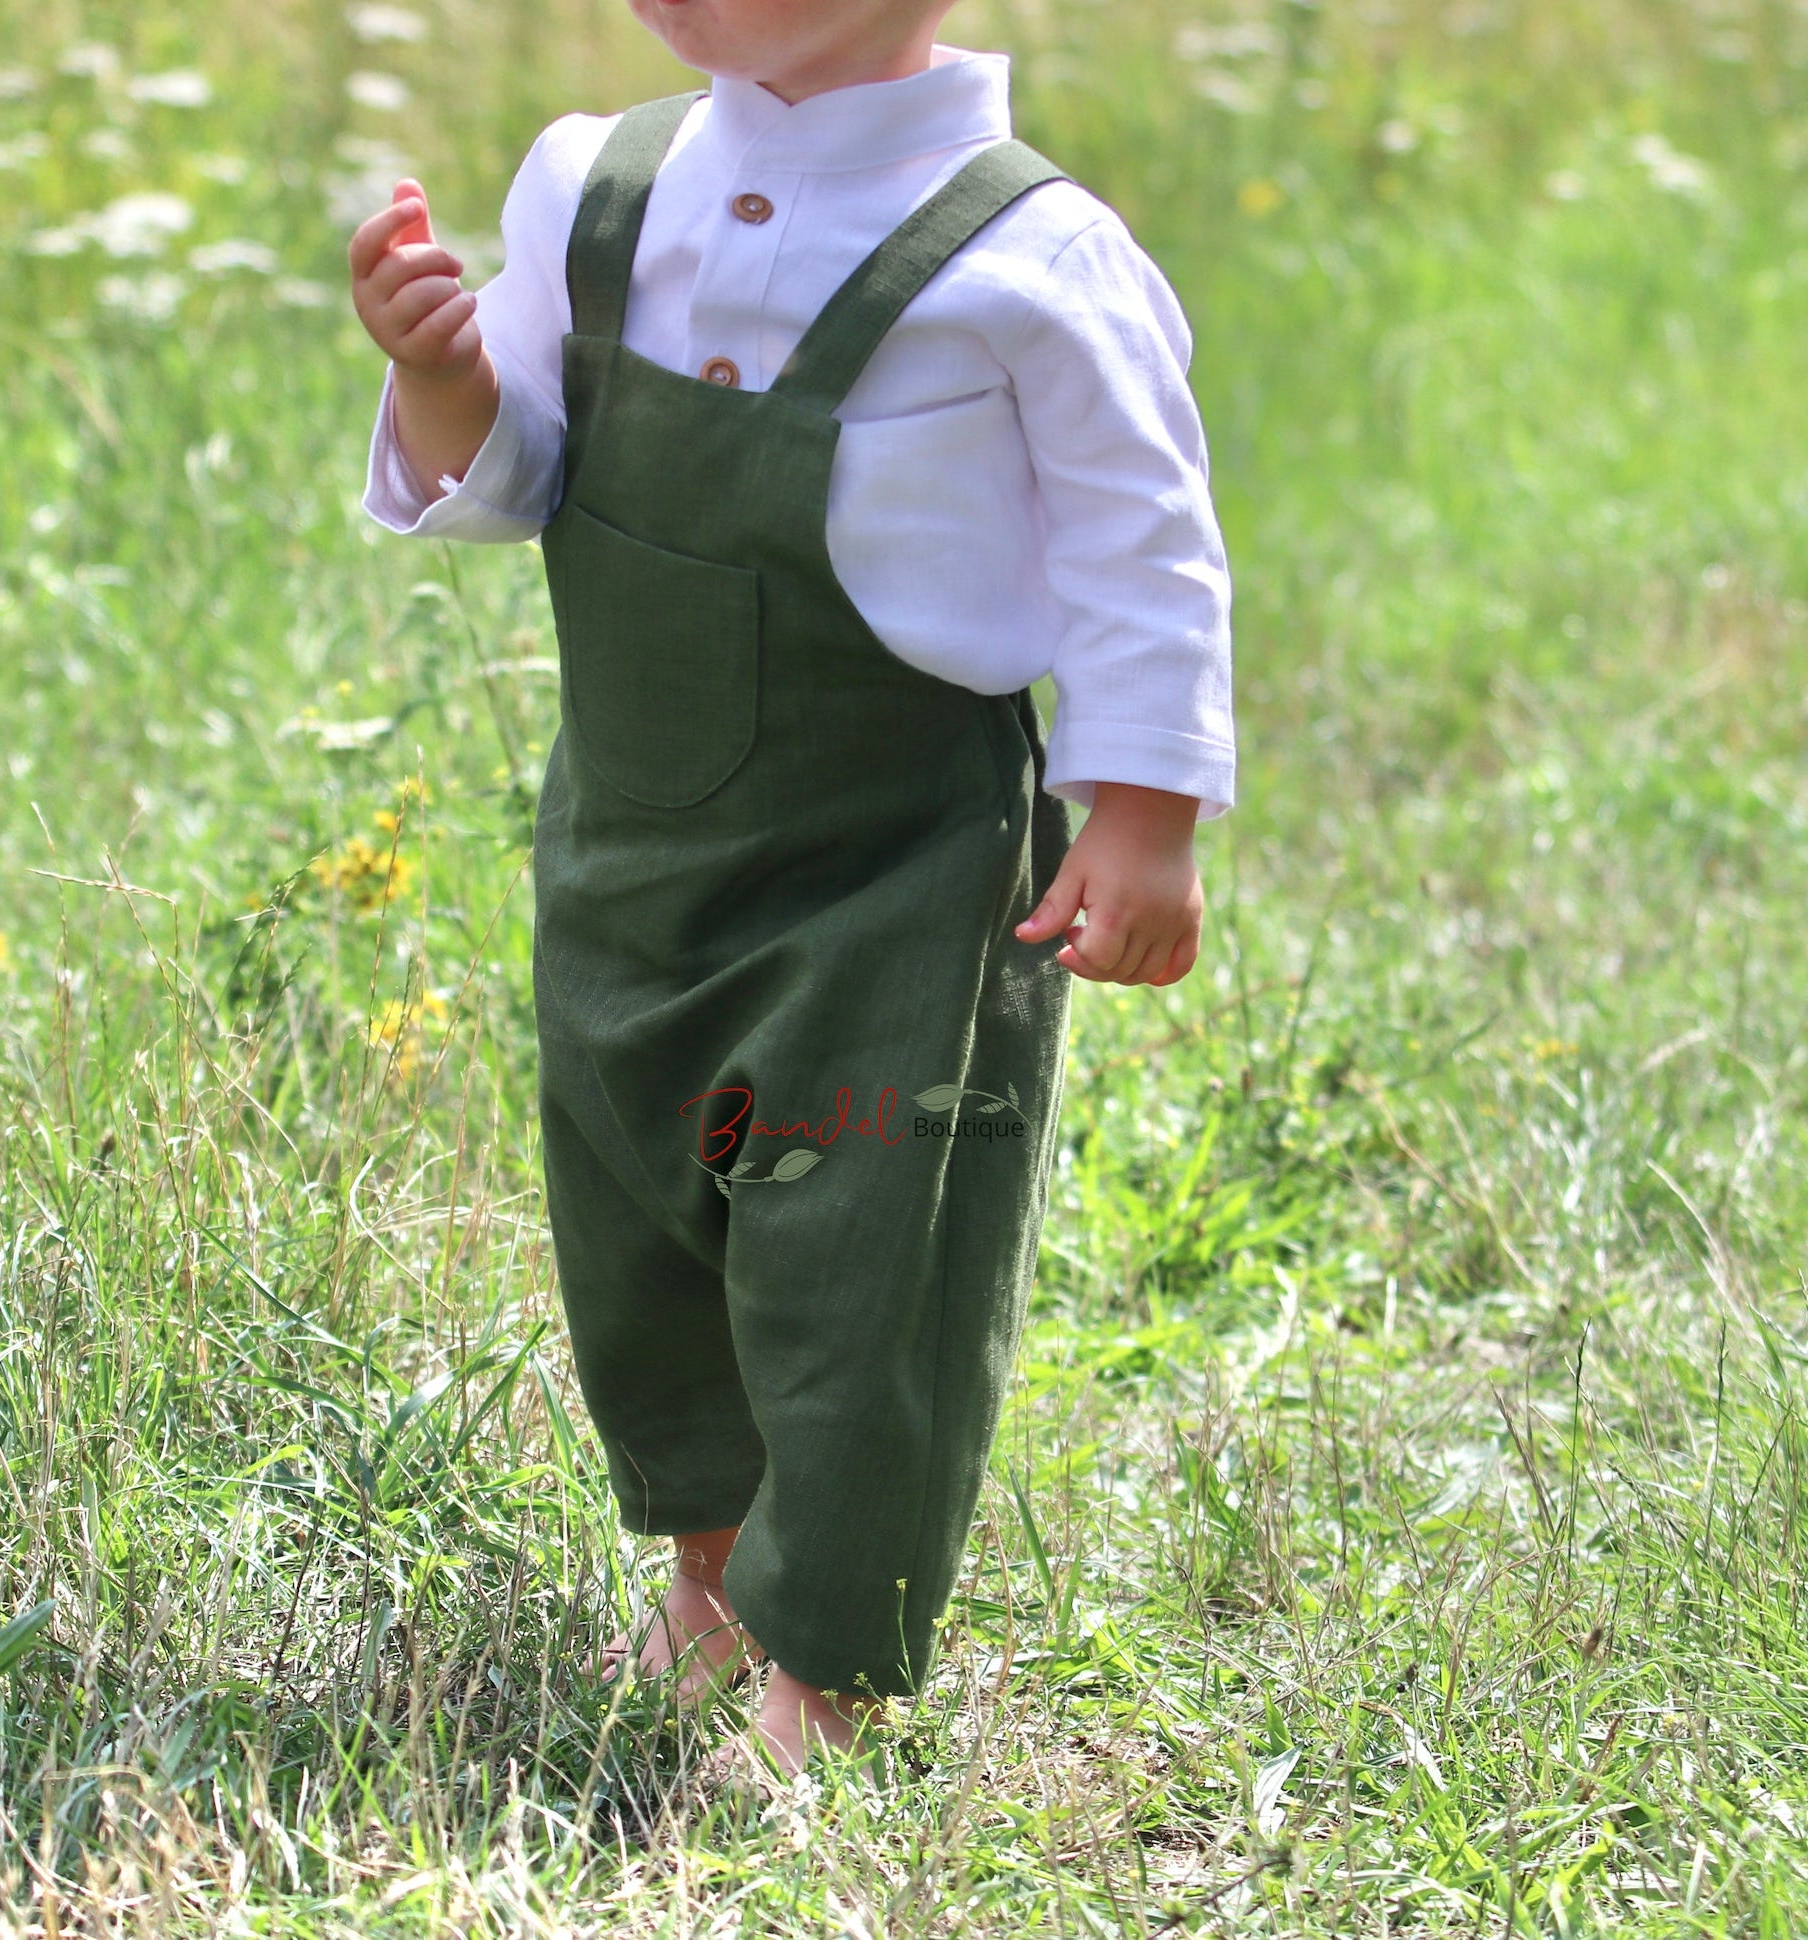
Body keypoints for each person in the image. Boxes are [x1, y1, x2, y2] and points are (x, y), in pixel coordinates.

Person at [348, 0, 1235, 1780]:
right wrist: (442, 373)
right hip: (631, 838)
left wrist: (1141, 812)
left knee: (860, 1254)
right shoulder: (595, 187)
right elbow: (517, 468)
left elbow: (1146, 549)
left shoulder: (1033, 254)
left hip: (898, 859)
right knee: (644, 1220)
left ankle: (822, 1660)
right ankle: (707, 1576)